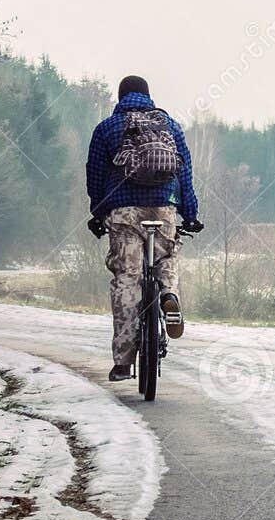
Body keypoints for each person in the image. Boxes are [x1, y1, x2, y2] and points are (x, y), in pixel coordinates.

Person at [85, 75, 203, 381]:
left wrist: (98, 213)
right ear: (148, 96)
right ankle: (169, 295)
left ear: (120, 96)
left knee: (127, 278)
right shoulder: (170, 126)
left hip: (124, 214)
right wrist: (189, 215)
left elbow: (95, 176)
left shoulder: (107, 128)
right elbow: (185, 175)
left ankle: (124, 362)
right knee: (167, 258)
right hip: (164, 210)